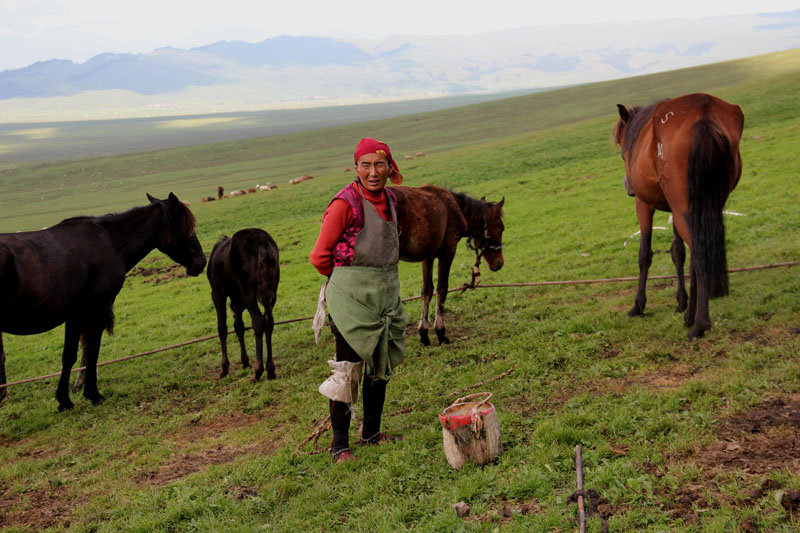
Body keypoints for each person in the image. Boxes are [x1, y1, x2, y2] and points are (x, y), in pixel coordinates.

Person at [310, 138, 407, 463]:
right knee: (347, 370)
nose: (373, 172)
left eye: (379, 164)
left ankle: (371, 433)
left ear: (389, 167)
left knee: (380, 366)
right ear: (356, 169)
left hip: (384, 297)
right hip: (351, 299)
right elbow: (319, 256)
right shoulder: (345, 203)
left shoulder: (391, 200)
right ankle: (340, 446)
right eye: (365, 165)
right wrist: (344, 283)